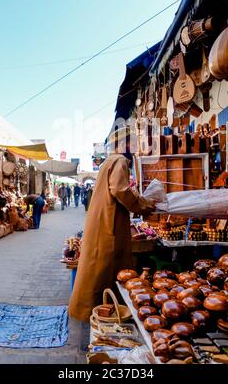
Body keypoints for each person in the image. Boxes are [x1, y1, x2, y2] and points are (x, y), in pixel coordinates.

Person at [68, 130, 157, 322]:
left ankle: (87, 309)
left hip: (102, 219)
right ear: (126, 144)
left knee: (96, 265)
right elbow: (119, 189)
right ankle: (100, 311)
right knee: (104, 268)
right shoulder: (120, 161)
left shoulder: (108, 161)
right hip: (109, 221)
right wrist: (144, 205)